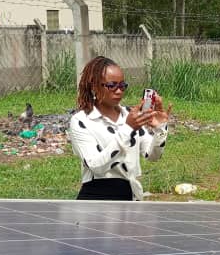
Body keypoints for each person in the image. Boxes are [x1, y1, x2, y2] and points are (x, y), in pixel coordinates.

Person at [68, 56, 171, 200]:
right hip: (97, 197)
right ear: (94, 86)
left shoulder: (129, 115)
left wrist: (160, 128)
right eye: (111, 85)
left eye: (122, 86)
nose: (119, 91)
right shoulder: (81, 121)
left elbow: (153, 156)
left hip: (130, 196)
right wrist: (128, 129)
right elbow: (96, 166)